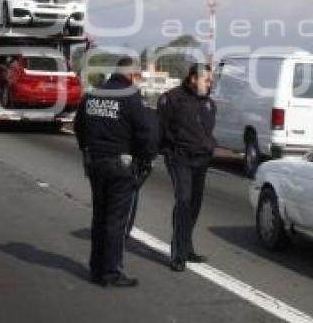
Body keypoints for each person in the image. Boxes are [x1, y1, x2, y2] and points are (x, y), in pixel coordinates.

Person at [74, 57, 153, 287]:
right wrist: (146, 158)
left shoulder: (93, 94)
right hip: (120, 164)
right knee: (116, 220)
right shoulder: (130, 96)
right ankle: (110, 272)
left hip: (95, 162)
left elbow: (79, 127)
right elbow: (144, 132)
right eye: (137, 77)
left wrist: (88, 149)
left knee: (99, 216)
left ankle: (96, 268)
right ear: (131, 75)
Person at [158, 63, 216, 272]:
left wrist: (209, 147)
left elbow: (207, 130)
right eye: (206, 80)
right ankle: (178, 252)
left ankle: (187, 246)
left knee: (194, 203)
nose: (210, 84)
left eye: (211, 80)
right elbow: (161, 128)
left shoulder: (209, 103)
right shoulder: (172, 98)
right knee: (183, 200)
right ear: (193, 78)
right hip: (179, 158)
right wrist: (168, 151)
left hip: (201, 159)